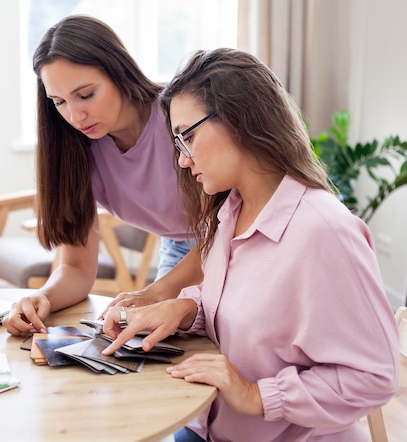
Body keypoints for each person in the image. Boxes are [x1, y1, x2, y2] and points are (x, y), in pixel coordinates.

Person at [102, 48, 400, 441]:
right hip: (204, 425)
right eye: (177, 143)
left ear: (241, 119)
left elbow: (375, 376)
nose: (182, 161)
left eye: (188, 137)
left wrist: (256, 395)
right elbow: (256, 315)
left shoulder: (324, 232)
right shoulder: (231, 214)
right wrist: (187, 308)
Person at [2, 15, 203, 336]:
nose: (74, 115)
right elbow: (76, 267)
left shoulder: (179, 115)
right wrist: (43, 298)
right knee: (161, 347)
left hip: (234, 241)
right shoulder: (77, 151)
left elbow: (229, 230)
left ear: (118, 70)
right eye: (59, 102)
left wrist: (155, 292)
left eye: (85, 95)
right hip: (181, 249)